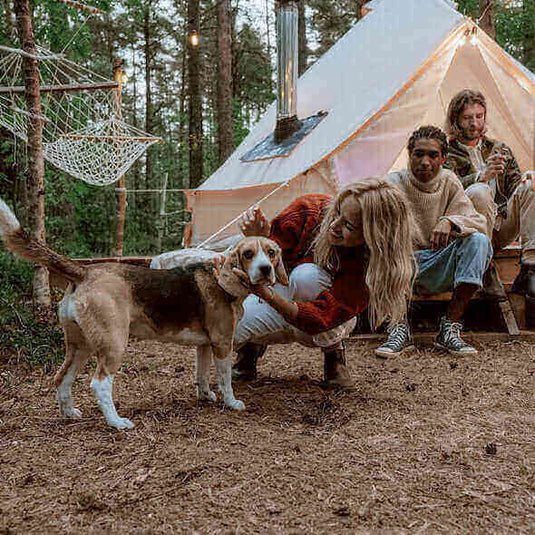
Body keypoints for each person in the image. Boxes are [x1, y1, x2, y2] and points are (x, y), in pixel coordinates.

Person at [231, 179, 416, 387]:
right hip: (282, 295)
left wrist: (268, 296)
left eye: (348, 225)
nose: (334, 226)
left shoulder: (371, 267)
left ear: (374, 236)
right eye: (337, 212)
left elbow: (320, 318)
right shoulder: (307, 212)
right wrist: (260, 238)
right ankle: (250, 348)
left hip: (322, 320)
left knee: (306, 277)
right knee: (234, 324)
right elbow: (266, 262)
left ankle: (334, 354)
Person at [375, 125, 492, 358]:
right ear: (410, 155)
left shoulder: (449, 181)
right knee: (381, 242)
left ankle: (449, 327)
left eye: (432, 155)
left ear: (443, 159)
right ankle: (398, 326)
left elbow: (478, 223)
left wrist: (450, 221)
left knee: (478, 241)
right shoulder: (392, 184)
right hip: (402, 267)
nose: (425, 162)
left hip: (438, 263)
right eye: (419, 154)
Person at [445, 89, 535, 322]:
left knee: (532, 184)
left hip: (501, 224)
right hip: (469, 232)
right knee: (480, 191)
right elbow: (446, 189)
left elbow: (516, 187)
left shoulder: (499, 148)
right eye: (467, 118)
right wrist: (481, 176)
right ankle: (485, 266)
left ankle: (529, 267)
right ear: (456, 120)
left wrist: (525, 180)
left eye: (479, 116)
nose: (474, 123)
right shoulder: (445, 153)